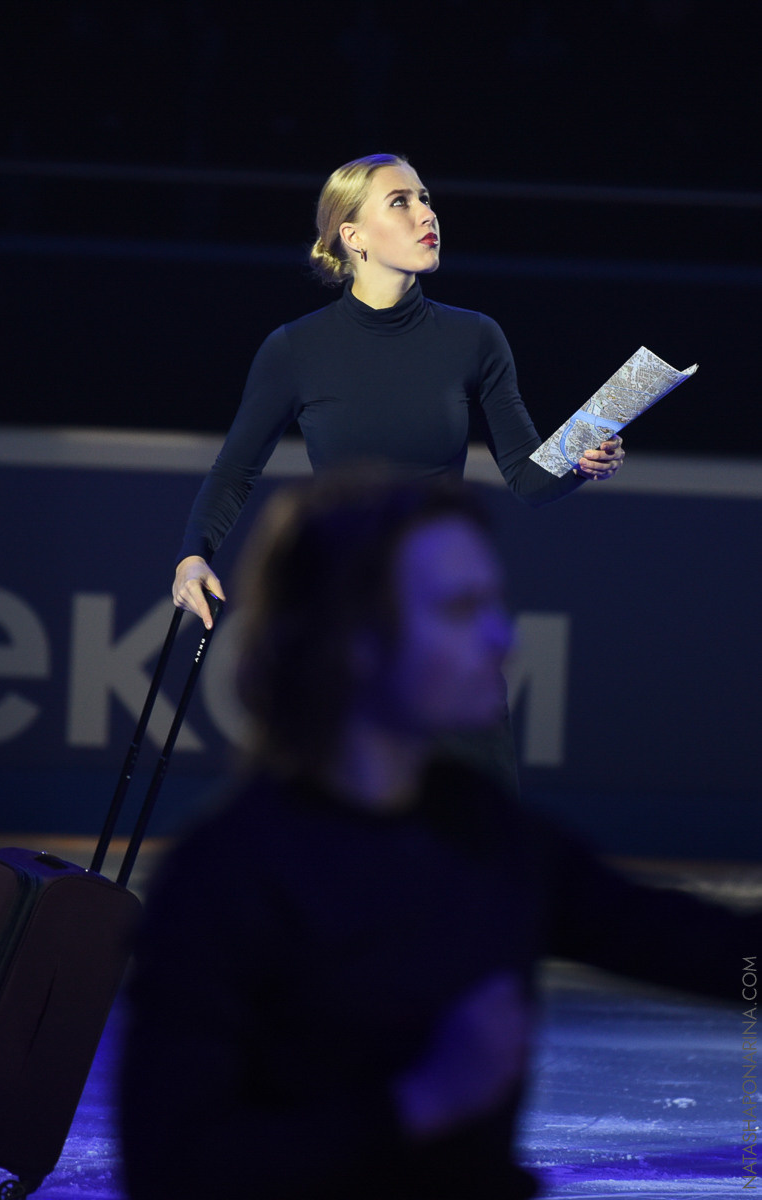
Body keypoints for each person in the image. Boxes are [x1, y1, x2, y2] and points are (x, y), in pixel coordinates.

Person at [121, 468, 758, 1200]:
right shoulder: (227, 877)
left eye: (494, 603)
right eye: (460, 608)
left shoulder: (486, 831)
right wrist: (421, 1101)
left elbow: (707, 949)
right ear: (356, 639)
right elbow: (174, 1170)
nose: (502, 636)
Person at [171, 152, 625, 633]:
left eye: (424, 199)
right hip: (346, 611)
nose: (426, 214)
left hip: (446, 604)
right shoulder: (294, 349)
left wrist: (583, 453)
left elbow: (528, 480)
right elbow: (235, 472)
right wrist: (191, 557)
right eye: (400, 202)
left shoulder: (475, 337)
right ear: (353, 236)